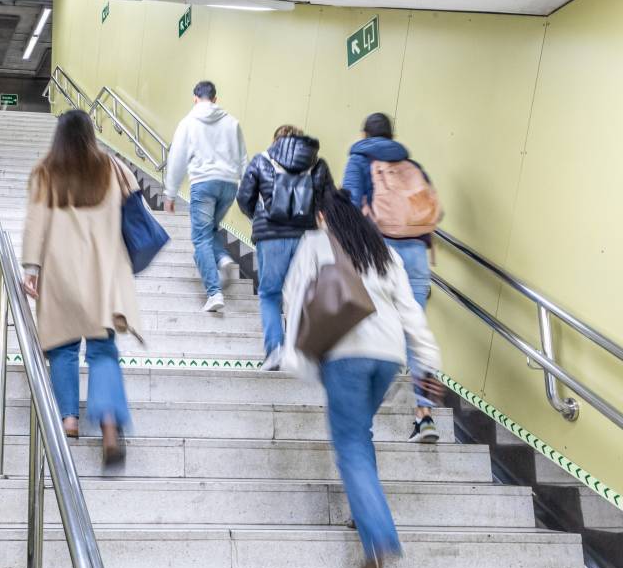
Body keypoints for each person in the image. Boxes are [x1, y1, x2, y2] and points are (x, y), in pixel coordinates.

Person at [282, 183, 443, 568]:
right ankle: (362, 512)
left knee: (349, 443)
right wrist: (428, 364)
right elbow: (411, 309)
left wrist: (293, 354)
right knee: (360, 433)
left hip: (346, 352)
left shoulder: (315, 244)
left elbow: (295, 294)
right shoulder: (382, 250)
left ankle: (378, 536)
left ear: (322, 216)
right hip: (387, 356)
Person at [22, 109, 141, 465]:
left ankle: (70, 419)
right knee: (103, 352)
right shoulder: (112, 167)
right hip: (103, 273)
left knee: (63, 348)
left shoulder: (47, 171)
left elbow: (35, 221)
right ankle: (107, 427)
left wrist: (31, 266)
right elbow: (134, 199)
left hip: (61, 273)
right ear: (91, 134)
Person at [342, 112, 442, 443]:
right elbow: (431, 207)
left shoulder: (359, 159)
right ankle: (424, 414)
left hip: (381, 251)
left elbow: (351, 206)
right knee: (416, 332)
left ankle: (365, 403)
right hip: (415, 254)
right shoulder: (408, 163)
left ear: (364, 133)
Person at [237, 125, 332, 371]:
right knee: (304, 296)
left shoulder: (262, 160)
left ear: (276, 141)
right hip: (306, 238)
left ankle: (275, 350)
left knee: (270, 294)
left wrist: (259, 217)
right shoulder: (318, 165)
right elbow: (328, 202)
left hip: (270, 237)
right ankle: (304, 351)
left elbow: (244, 198)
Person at [162, 80, 247, 313]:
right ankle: (223, 259)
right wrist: (246, 189)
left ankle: (214, 293)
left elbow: (177, 159)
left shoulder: (188, 123)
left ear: (195, 98)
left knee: (200, 238)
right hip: (229, 185)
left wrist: (170, 193)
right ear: (216, 99)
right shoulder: (232, 122)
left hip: (204, 184)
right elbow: (243, 158)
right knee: (211, 230)